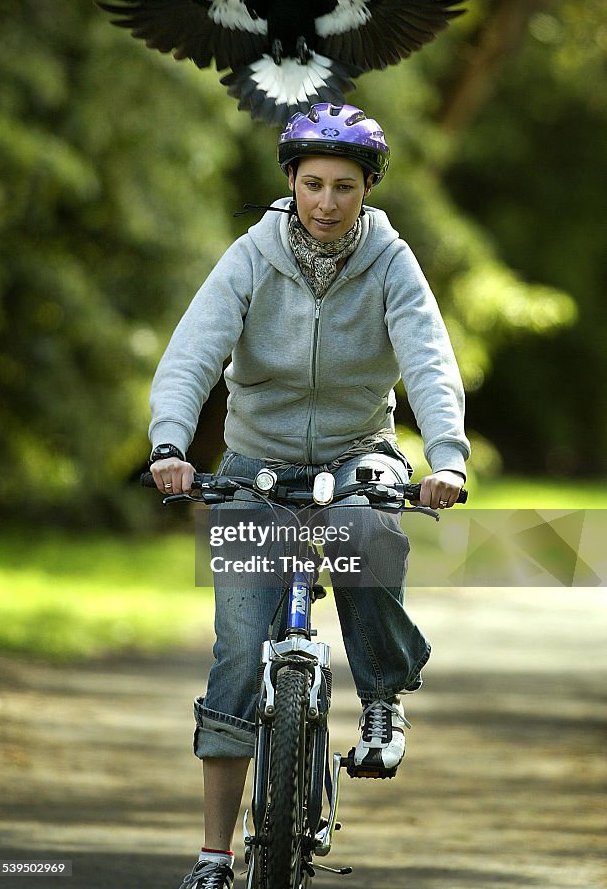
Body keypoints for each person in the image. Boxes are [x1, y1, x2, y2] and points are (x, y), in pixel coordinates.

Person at [148, 102, 470, 889]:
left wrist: (448, 459)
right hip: (256, 463)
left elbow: (429, 360)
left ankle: (384, 698)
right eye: (314, 184)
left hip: (359, 452)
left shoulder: (391, 261)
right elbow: (193, 353)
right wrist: (169, 444)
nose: (328, 202)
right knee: (233, 659)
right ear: (290, 182)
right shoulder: (252, 256)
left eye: (346, 187)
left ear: (368, 190)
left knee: (369, 534)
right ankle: (213, 857)